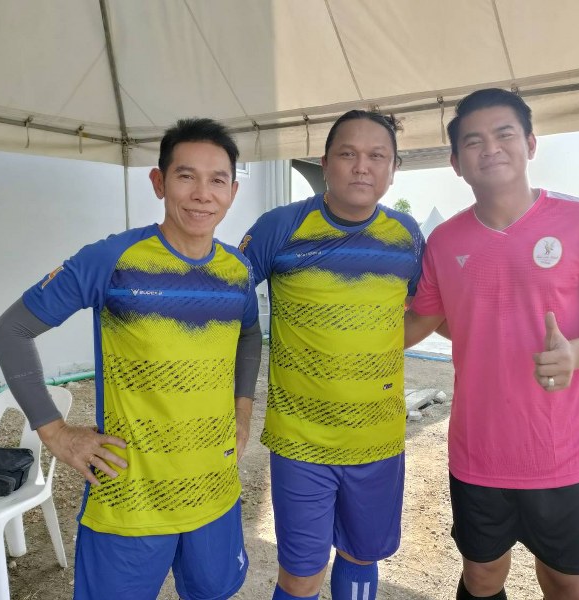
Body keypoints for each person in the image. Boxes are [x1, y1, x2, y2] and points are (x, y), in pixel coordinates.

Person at [0, 118, 262, 600]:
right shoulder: (113, 259)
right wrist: (55, 432)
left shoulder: (238, 270)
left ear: (233, 191)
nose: (202, 194)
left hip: (214, 492)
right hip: (129, 499)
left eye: (217, 180)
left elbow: (249, 334)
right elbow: (11, 331)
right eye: (186, 176)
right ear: (159, 182)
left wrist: (243, 411)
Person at [405, 88, 579, 600]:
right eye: (473, 141)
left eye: (504, 133)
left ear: (531, 143)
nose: (490, 148)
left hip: (561, 448)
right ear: (455, 162)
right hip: (478, 448)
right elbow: (424, 319)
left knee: (564, 578)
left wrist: (576, 353)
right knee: (482, 575)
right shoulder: (444, 242)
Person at [240, 110, 424, 600]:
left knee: (362, 556)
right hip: (301, 441)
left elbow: (429, 311)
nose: (362, 167)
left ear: (393, 169)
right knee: (302, 573)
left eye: (377, 156)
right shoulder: (280, 227)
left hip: (378, 440)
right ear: (324, 163)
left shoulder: (407, 235)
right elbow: (226, 300)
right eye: (348, 154)